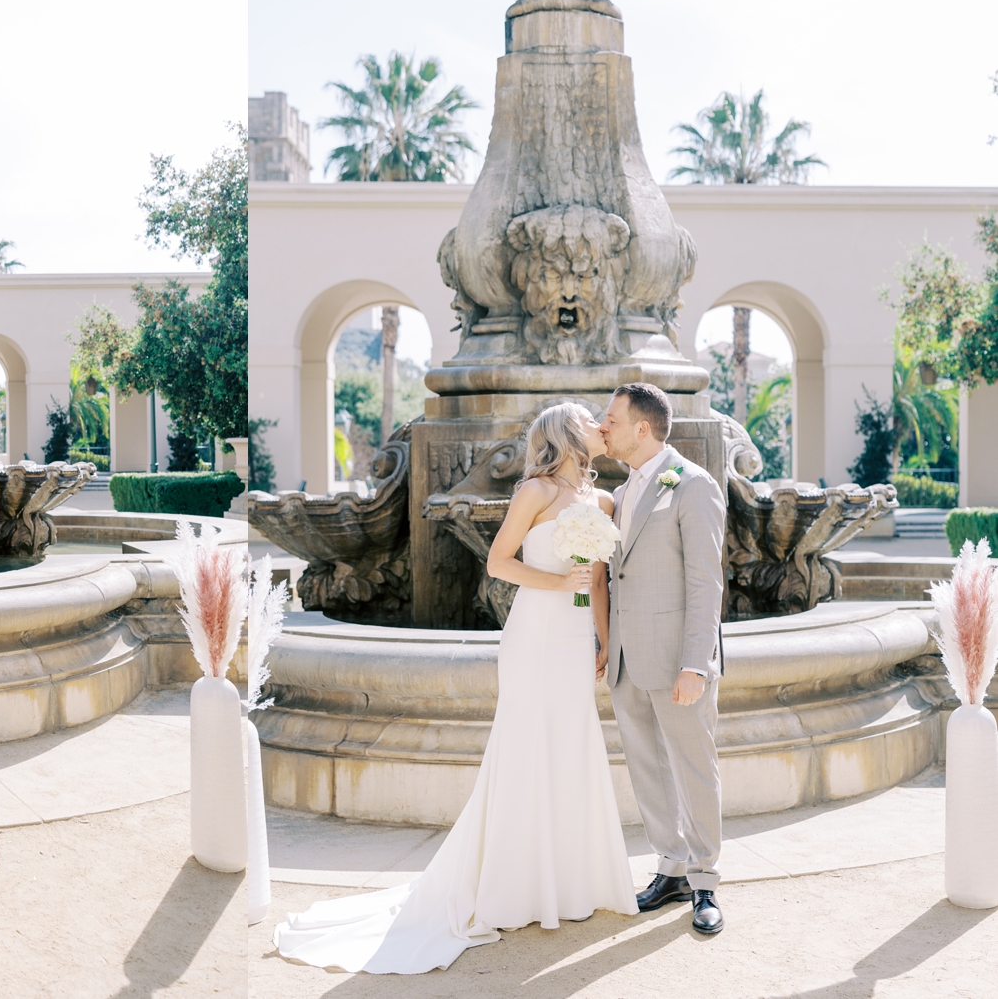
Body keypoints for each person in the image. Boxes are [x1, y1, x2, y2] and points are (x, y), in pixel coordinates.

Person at [272, 402, 637, 974]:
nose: (602, 425)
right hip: (535, 635)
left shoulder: (606, 500)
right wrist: (553, 580)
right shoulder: (535, 492)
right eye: (592, 420)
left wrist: (602, 641)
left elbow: (598, 581)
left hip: (572, 643)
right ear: (568, 434)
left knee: (573, 746)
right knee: (524, 749)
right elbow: (497, 563)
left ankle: (571, 881)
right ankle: (515, 886)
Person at [598, 382, 728, 936]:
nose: (603, 427)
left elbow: (706, 581)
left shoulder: (693, 486)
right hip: (627, 658)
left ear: (642, 428)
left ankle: (705, 882)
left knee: (694, 768)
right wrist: (605, 644)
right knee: (648, 769)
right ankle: (670, 868)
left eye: (611, 419)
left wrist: (695, 664)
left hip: (679, 659)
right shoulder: (623, 490)